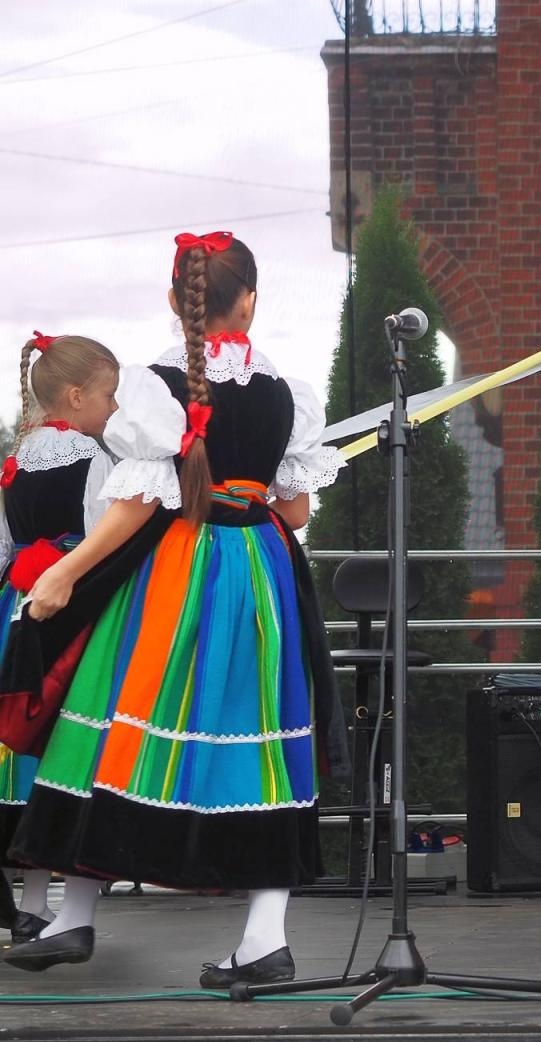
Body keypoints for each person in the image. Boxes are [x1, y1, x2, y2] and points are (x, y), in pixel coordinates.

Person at [2, 232, 345, 986]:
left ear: (174, 300)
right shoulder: (286, 391)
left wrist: (63, 574)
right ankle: (262, 935)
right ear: (249, 300)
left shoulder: (154, 386)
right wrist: (245, 491)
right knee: (259, 736)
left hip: (178, 571)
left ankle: (76, 912)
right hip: (260, 573)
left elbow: (129, 508)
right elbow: (297, 510)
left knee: (114, 719)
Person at [0, 333, 119, 945]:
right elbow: (106, 537)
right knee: (71, 746)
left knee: (27, 746)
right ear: (77, 396)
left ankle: (32, 903)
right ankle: (65, 906)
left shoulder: (15, 460)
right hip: (75, 606)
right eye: (109, 395)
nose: (114, 409)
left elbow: (3, 550)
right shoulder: (95, 458)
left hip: (17, 610)